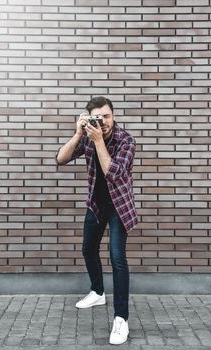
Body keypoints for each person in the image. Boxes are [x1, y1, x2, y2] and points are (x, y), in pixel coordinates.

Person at [56, 96, 138, 345]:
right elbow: (61, 158)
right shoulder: (88, 136)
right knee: (87, 249)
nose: (102, 121)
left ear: (114, 116)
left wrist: (98, 141)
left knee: (117, 257)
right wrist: (77, 133)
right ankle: (98, 291)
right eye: (97, 117)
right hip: (96, 204)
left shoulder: (126, 141)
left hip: (119, 207)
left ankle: (121, 320)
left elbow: (113, 173)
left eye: (107, 116)